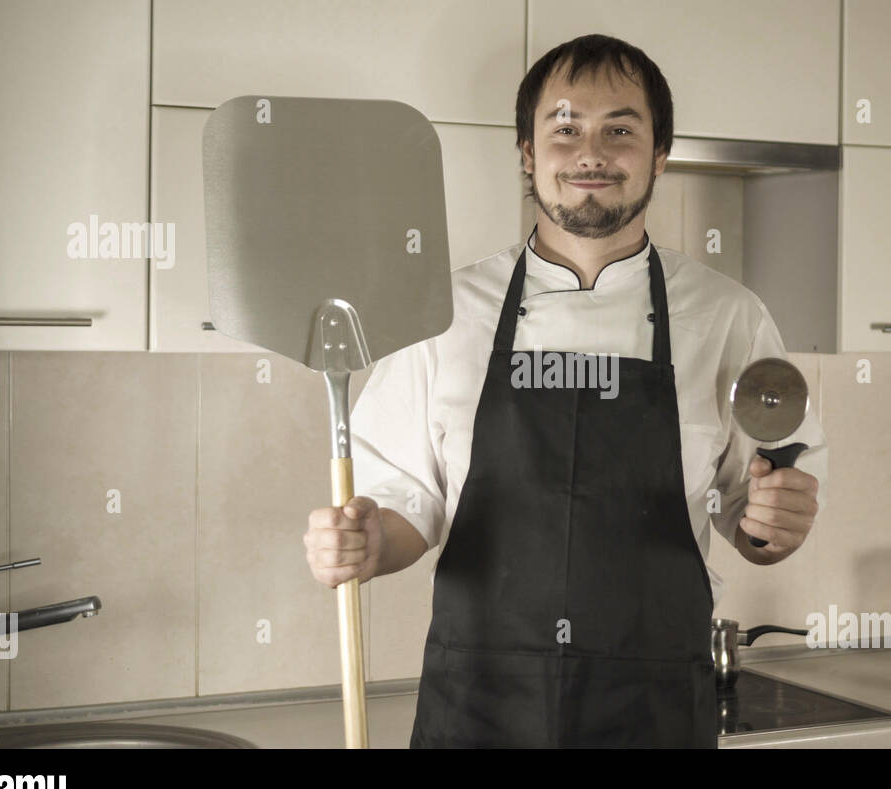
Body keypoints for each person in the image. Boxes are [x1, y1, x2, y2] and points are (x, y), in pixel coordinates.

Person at [303, 33, 827, 748]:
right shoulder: (445, 315)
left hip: (654, 712)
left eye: (620, 129)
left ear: (659, 156)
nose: (592, 153)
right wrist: (366, 541)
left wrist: (778, 524)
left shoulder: (730, 318)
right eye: (565, 128)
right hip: (479, 713)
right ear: (527, 153)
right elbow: (403, 509)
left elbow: (756, 517)